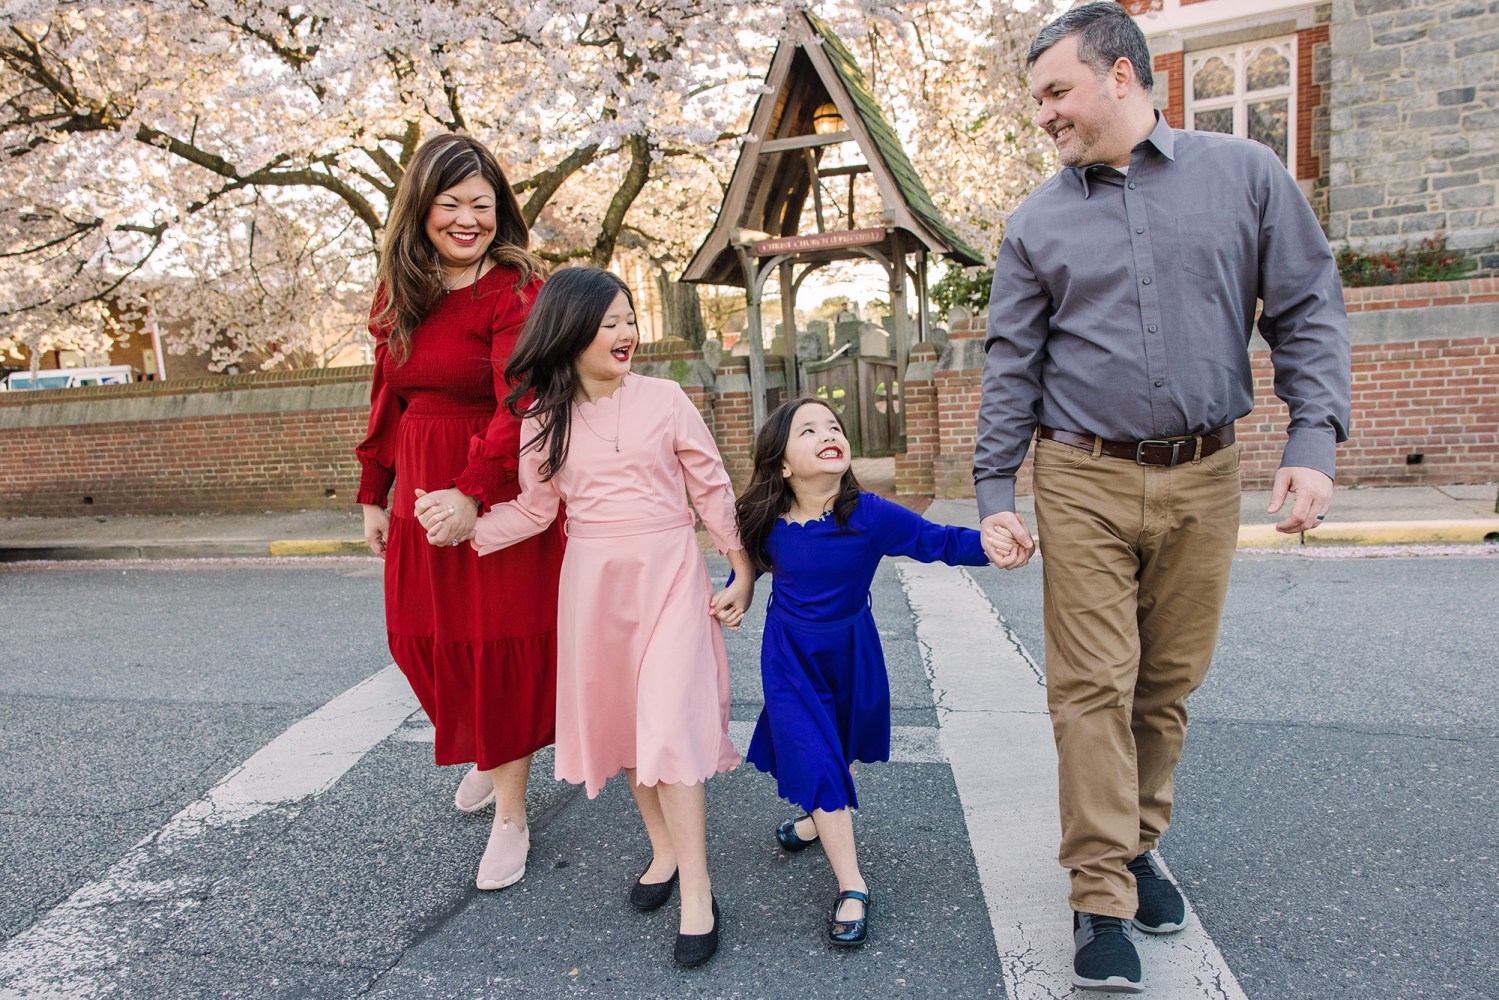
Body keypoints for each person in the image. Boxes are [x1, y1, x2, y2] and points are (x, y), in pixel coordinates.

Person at [973, 3, 1350, 992]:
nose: (1044, 115)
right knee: (1089, 686)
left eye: (1056, 92)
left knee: (1165, 681)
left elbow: (1305, 305)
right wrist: (992, 488)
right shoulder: (1035, 220)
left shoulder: (1246, 177)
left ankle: (1135, 841)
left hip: (1204, 472)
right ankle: (1098, 895)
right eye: (1038, 99)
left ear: (1124, 78)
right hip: (1081, 472)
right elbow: (1009, 363)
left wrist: (1312, 439)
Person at [415, 266, 754, 968]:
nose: (626, 333)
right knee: (630, 730)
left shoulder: (665, 400)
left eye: (630, 318)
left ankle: (697, 889)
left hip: (667, 575)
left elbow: (712, 487)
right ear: (570, 333)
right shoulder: (543, 419)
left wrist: (740, 567)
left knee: (670, 729)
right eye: (609, 323)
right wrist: (464, 524)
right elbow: (537, 511)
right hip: (594, 588)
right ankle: (661, 853)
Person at [354, 133, 565, 893]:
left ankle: (511, 812)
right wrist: (374, 491)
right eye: (451, 204)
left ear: (499, 211)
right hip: (417, 480)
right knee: (418, 639)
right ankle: (484, 745)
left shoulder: (513, 288)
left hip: (491, 482)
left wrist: (472, 490)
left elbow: (523, 398)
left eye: (482, 204)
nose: (467, 219)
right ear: (421, 209)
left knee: (494, 648)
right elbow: (387, 393)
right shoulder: (398, 291)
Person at [733, 398, 999, 947]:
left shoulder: (868, 515)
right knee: (817, 756)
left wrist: (996, 547)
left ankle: (812, 823)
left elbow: (939, 541)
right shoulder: (762, 518)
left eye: (833, 425)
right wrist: (739, 588)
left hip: (852, 652)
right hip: (789, 658)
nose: (828, 433)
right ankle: (853, 886)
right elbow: (748, 562)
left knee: (842, 745)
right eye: (808, 430)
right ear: (783, 464)